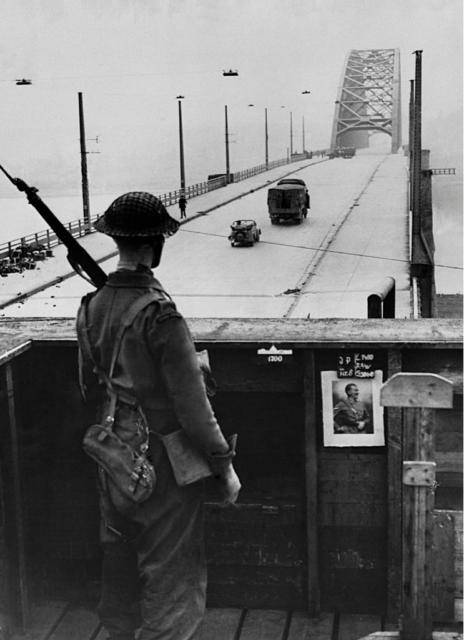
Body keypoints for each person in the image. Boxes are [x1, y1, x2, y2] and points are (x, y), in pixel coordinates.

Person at [76, 191, 241, 640]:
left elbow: (89, 384)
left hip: (112, 450)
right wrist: (223, 468)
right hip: (162, 460)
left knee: (119, 551)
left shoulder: (90, 306)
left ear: (115, 241)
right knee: (172, 572)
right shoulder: (160, 314)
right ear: (156, 244)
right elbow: (193, 408)